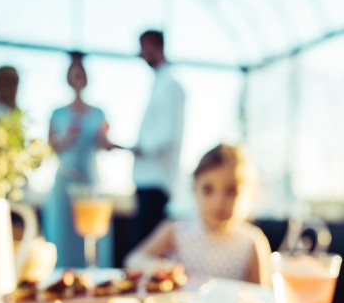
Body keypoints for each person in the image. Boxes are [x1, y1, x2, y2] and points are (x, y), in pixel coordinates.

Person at [124, 143, 272, 287]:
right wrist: (156, 266)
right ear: (195, 190)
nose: (218, 201)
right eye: (208, 190)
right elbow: (133, 260)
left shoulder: (252, 242)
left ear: (250, 195)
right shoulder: (176, 231)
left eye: (231, 191)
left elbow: (262, 298)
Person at [42, 52, 118, 268]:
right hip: (64, 180)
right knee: (63, 232)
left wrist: (113, 142)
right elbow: (49, 148)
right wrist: (62, 141)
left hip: (90, 178)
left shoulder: (98, 113)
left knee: (93, 232)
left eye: (80, 72)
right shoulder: (57, 113)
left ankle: (94, 278)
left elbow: (104, 143)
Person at [129, 29, 185, 249]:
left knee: (144, 247)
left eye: (144, 47)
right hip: (147, 179)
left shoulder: (171, 85)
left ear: (155, 47)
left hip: (157, 180)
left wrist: (140, 148)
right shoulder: (160, 83)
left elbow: (168, 134)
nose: (142, 54)